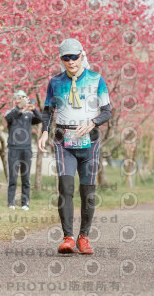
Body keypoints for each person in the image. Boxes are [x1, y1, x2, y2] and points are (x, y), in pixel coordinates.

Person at [38, 39, 112, 255]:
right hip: (64, 141)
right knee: (66, 188)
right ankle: (68, 238)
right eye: (66, 58)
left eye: (74, 57)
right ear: (61, 60)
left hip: (90, 141)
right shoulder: (55, 82)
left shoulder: (96, 79)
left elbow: (107, 111)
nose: (71, 61)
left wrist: (93, 122)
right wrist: (44, 131)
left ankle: (84, 238)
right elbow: (48, 111)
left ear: (82, 56)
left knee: (88, 191)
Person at [5, 89, 42, 210]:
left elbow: (41, 119)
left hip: (26, 149)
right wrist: (19, 108)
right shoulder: (11, 112)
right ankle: (11, 202)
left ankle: (25, 203)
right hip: (13, 149)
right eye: (19, 98)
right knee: (13, 177)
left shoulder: (29, 115)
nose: (22, 100)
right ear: (16, 99)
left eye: (24, 98)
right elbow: (9, 118)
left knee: (26, 178)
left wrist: (34, 109)